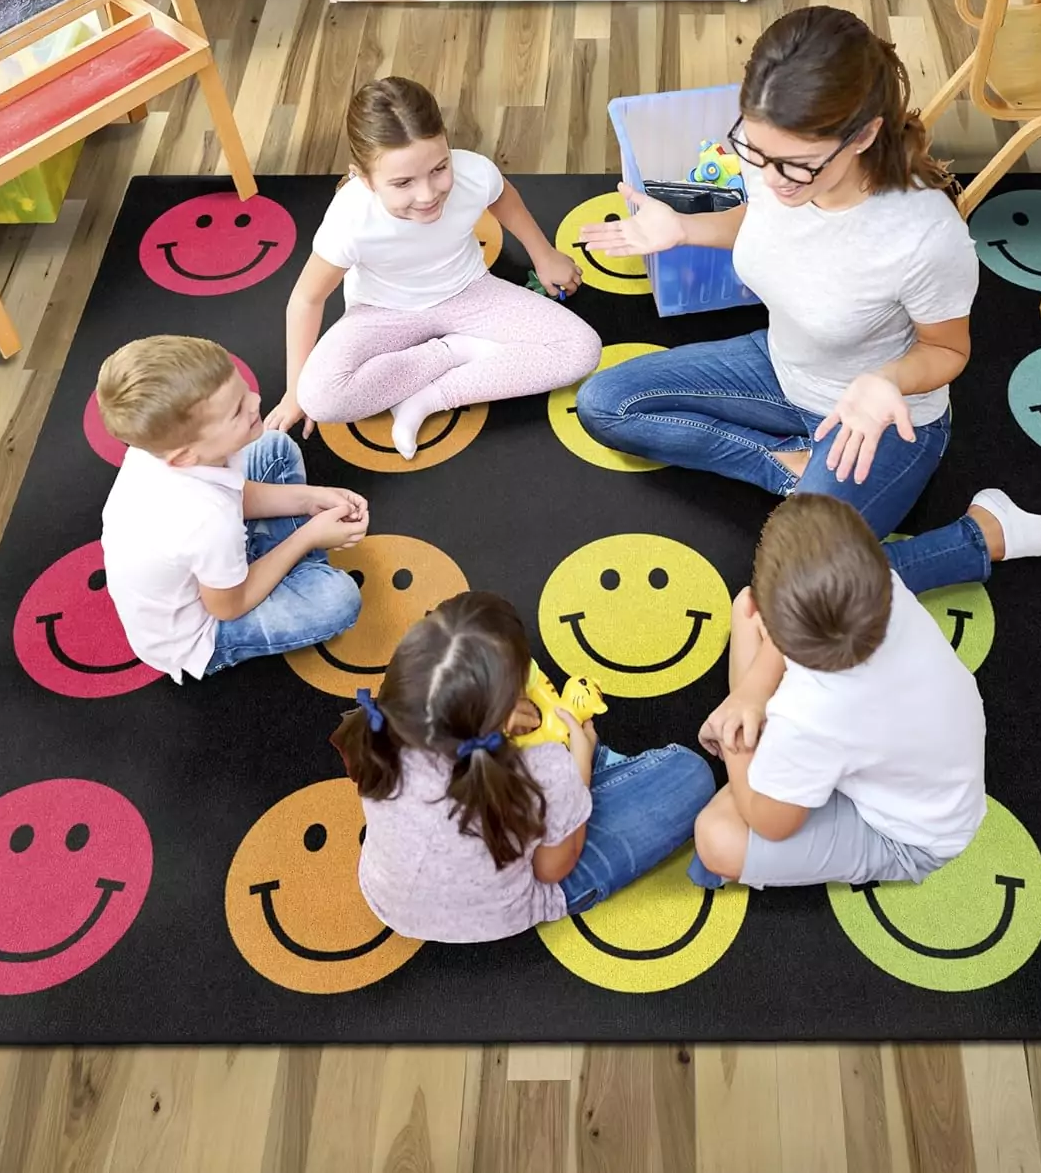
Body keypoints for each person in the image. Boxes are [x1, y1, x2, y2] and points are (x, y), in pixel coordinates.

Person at [575, 5, 1041, 599]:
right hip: (780, 367)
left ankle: (986, 533)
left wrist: (886, 381)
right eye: (755, 151)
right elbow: (768, 220)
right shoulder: (775, 152)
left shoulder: (924, 233)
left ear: (865, 135)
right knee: (606, 405)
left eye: (796, 166)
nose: (771, 178)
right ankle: (789, 466)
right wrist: (686, 230)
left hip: (882, 417)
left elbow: (948, 349)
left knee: (800, 591)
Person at [332, 591, 716, 944]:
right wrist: (578, 763)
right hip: (510, 908)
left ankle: (588, 781)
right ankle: (596, 768)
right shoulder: (547, 768)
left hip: (388, 900)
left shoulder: (378, 733)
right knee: (690, 774)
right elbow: (553, 869)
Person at [264, 76, 602, 460]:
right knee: (321, 399)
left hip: (470, 292)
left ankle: (428, 397)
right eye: (403, 182)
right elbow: (307, 299)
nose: (427, 195)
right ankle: (451, 352)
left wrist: (544, 255)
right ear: (364, 178)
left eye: (439, 169)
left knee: (581, 350)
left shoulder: (473, 172)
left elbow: (503, 196)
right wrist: (294, 392)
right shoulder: (350, 220)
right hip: (382, 312)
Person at [690, 495, 985, 890]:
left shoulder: (812, 717)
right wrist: (752, 693)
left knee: (716, 837)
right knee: (747, 609)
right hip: (926, 766)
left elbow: (771, 824)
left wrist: (734, 744)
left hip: (911, 835)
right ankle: (784, 768)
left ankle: (772, 763)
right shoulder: (883, 588)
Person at [98, 335, 366, 683]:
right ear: (185, 456)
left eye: (243, 389)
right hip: (205, 630)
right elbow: (229, 606)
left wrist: (308, 498)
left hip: (213, 556)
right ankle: (295, 565)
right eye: (238, 410)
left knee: (274, 447)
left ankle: (283, 565)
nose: (255, 401)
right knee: (337, 601)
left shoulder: (164, 454)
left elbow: (234, 494)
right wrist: (307, 536)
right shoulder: (204, 520)